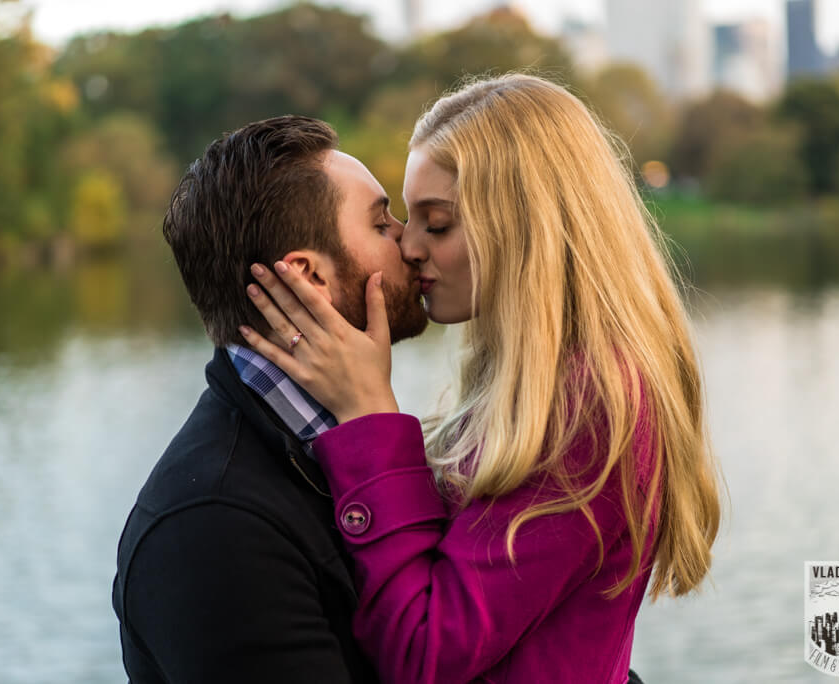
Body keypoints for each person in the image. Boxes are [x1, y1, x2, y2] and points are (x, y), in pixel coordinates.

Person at [239, 74, 722, 683]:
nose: (408, 246)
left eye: (436, 224)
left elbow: (426, 655)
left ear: (524, 229)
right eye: (406, 218)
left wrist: (369, 418)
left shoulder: (591, 402)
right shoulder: (533, 380)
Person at [111, 115, 428, 684]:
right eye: (383, 224)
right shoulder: (211, 529)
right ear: (308, 277)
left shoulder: (351, 442)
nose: (411, 240)